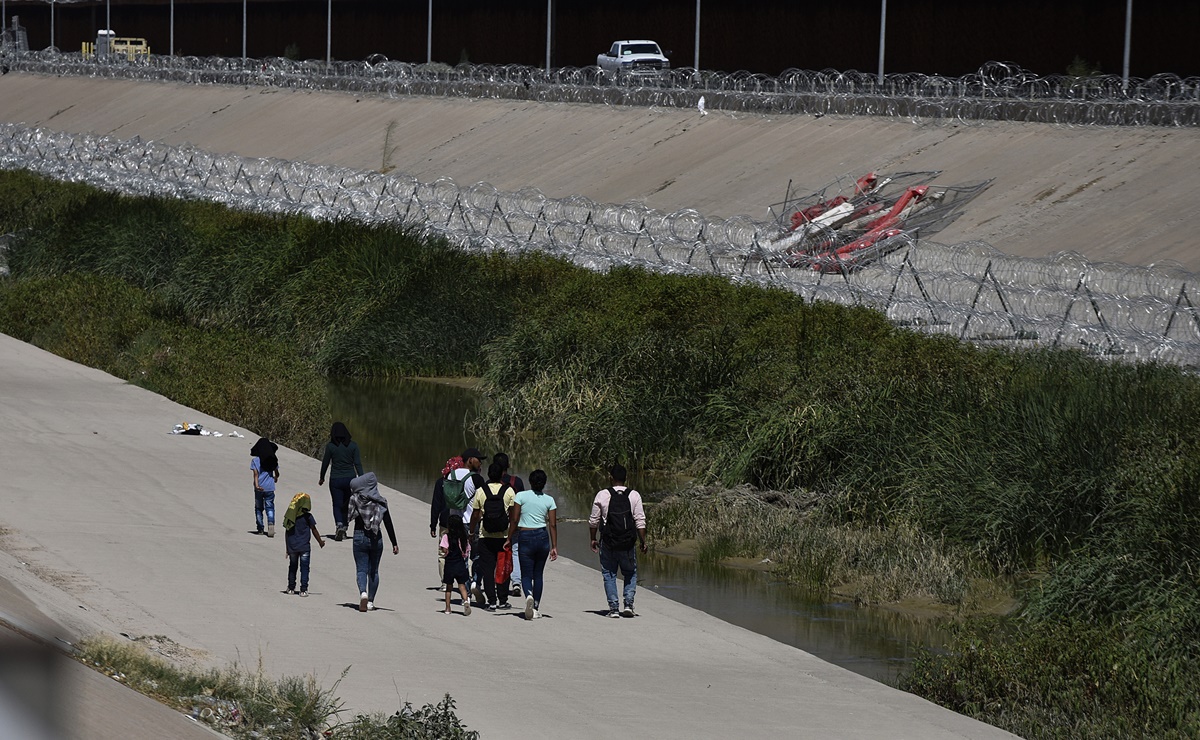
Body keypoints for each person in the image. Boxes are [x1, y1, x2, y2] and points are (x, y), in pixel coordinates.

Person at [588, 463, 647, 618]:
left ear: (610, 478)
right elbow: (640, 521)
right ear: (625, 478)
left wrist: (593, 538)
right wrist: (643, 541)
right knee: (630, 572)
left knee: (609, 573)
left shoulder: (602, 495)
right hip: (627, 543)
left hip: (608, 542)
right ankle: (628, 604)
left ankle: (614, 609)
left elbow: (594, 520)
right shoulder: (634, 495)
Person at [505, 469, 557, 620]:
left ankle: (528, 595)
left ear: (530, 482)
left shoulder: (520, 496)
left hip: (525, 536)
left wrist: (509, 538)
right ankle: (536, 607)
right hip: (542, 536)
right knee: (538, 575)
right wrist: (554, 546)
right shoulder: (550, 500)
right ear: (544, 483)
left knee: (526, 574)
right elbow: (552, 525)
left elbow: (514, 520)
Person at [468, 461, 517, 611]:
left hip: (485, 536)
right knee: (503, 568)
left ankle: (491, 601)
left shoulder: (481, 491)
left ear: (488, 475)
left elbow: (475, 515)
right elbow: (514, 517)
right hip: (503, 537)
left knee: (488, 569)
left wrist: (471, 532)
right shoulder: (509, 491)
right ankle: (503, 600)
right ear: (503, 474)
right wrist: (510, 536)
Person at [347, 472, 398, 612]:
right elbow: (388, 522)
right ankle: (370, 601)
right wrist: (394, 543)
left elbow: (348, 514)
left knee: (361, 569)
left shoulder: (355, 498)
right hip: (376, 537)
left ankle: (363, 593)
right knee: (374, 571)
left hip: (359, 536)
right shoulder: (380, 501)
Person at [318, 421, 364, 542]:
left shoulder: (331, 446)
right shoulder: (353, 446)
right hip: (351, 480)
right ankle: (345, 527)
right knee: (348, 505)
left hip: (335, 480)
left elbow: (325, 463)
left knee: (337, 504)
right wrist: (362, 479)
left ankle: (339, 525)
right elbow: (358, 464)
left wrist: (321, 477)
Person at [494, 452, 526, 597]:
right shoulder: (517, 482)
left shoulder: (490, 481)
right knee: (515, 551)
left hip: (495, 523)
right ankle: (516, 582)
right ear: (508, 465)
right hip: (514, 522)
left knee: (497, 552)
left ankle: (498, 579)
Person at [282, 492, 326, 596]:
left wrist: (287, 548)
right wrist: (320, 542)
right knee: (305, 568)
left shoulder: (291, 516)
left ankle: (291, 588)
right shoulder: (308, 517)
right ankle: (303, 589)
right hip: (304, 547)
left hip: (292, 546)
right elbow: (314, 530)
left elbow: (287, 532)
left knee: (293, 566)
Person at [429, 454, 464, 586]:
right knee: (463, 550)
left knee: (443, 552)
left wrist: (432, 524)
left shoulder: (441, 482)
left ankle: (445, 582)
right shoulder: (465, 481)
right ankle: (466, 580)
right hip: (461, 522)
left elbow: (436, 504)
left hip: (445, 522)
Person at [439, 513, 472, 616]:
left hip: (450, 564)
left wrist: (445, 551)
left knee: (449, 588)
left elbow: (444, 549)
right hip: (460, 563)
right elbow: (466, 551)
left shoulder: (446, 536)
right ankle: (466, 601)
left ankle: (448, 608)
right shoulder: (463, 538)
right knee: (462, 585)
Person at [250, 438, 280, 537]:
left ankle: (260, 528)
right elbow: (277, 473)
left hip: (259, 488)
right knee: (270, 506)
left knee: (259, 508)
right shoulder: (272, 459)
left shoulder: (255, 461)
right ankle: (271, 523)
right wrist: (275, 478)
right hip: (270, 488)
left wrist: (257, 485)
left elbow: (255, 475)